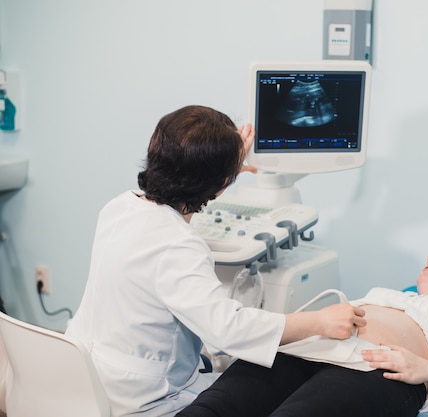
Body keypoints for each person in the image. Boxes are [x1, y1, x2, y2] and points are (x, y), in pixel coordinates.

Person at [65, 105, 366, 417]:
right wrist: (319, 321)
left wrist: (222, 167)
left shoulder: (120, 206)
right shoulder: (178, 245)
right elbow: (229, 330)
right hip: (141, 399)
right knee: (273, 378)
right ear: (219, 184)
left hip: (84, 376)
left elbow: (173, 220)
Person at [176, 251, 428, 417]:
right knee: (210, 411)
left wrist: (426, 369)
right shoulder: (389, 294)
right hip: (304, 349)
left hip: (375, 369)